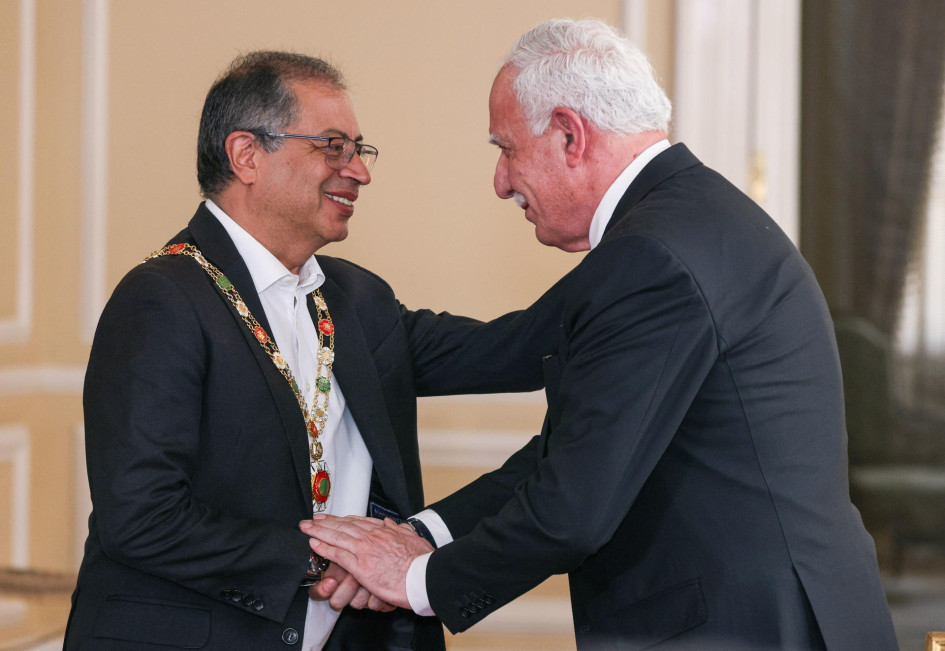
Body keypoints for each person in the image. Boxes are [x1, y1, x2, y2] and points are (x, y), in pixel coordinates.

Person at [300, 18, 900, 650]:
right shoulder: (681, 224)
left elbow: (574, 507)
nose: (501, 182)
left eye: (505, 149)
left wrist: (418, 578)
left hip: (743, 627)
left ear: (569, 134)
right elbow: (546, 403)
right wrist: (425, 531)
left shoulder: (651, 257)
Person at [65, 51, 554, 650]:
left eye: (359, 150)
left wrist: (642, 265)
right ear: (246, 155)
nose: (359, 172)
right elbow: (141, 519)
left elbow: (513, 349)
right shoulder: (161, 300)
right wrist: (327, 561)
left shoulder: (356, 298)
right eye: (333, 147)